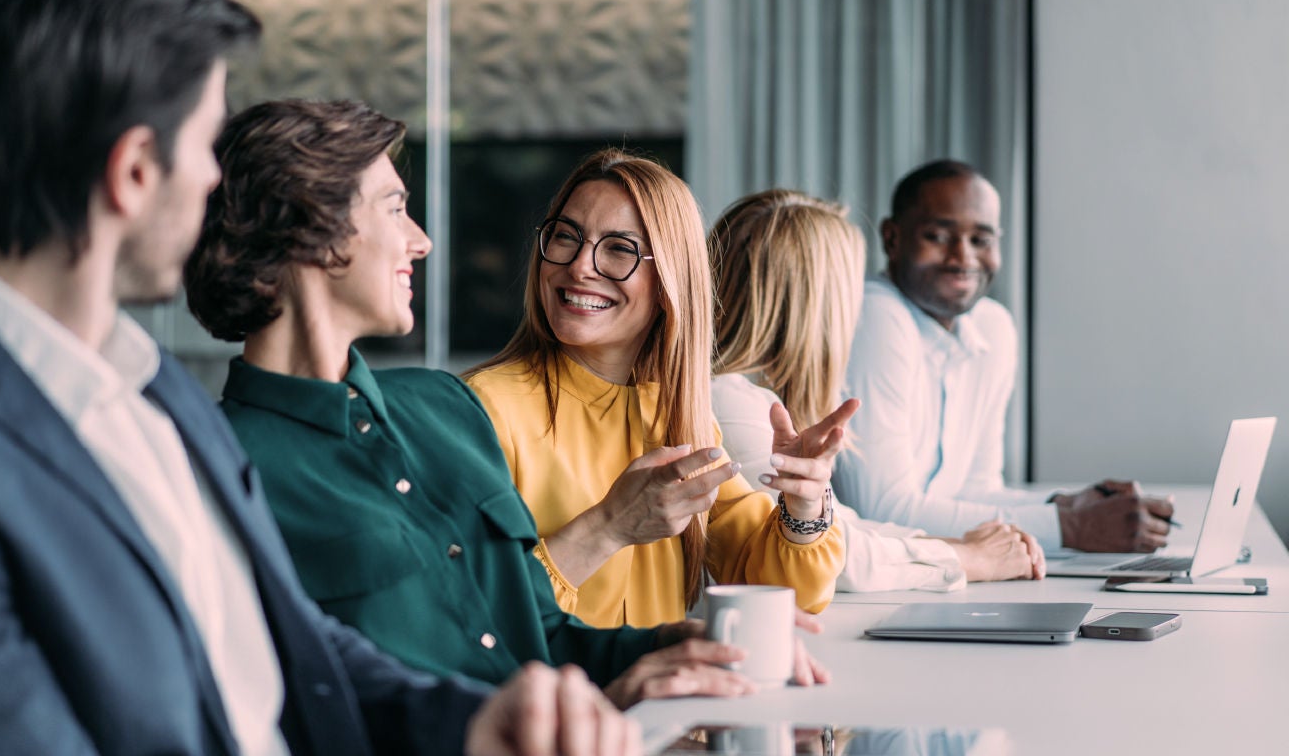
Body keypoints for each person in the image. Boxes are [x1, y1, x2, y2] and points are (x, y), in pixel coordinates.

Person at [0, 0, 635, 756]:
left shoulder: (149, 391)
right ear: (134, 172)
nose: (219, 184)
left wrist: (476, 728)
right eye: (207, 143)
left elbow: (289, 655)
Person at [186, 98, 762, 706]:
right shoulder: (220, 465)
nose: (423, 241)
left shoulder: (446, 410)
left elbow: (536, 634)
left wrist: (670, 647)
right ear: (311, 231)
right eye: (396, 208)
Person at [464, 150, 850, 673]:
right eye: (565, 237)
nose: (579, 266)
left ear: (672, 281)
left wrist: (804, 506)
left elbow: (778, 593)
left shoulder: (677, 413)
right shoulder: (481, 409)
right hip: (547, 728)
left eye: (620, 249)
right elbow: (465, 616)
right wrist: (607, 527)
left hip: (659, 722)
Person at [708, 189, 1046, 590]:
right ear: (822, 307)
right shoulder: (726, 401)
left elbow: (840, 528)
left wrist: (961, 546)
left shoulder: (757, 398)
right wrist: (968, 558)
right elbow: (833, 557)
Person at [835, 159, 1174, 553]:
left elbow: (974, 491)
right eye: (938, 235)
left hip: (943, 569)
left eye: (981, 240)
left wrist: (1067, 504)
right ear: (892, 238)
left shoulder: (992, 328)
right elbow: (881, 511)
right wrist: (1070, 528)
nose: (962, 258)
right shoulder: (875, 316)